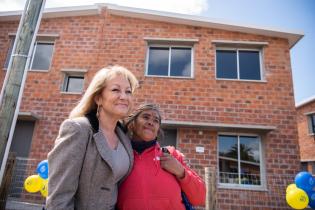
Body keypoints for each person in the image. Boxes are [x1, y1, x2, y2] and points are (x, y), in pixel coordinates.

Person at [46, 66, 139, 210]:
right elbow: (59, 196)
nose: (124, 96)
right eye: (116, 90)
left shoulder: (125, 137)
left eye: (128, 91)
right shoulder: (78, 129)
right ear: (98, 98)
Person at [117, 104, 206, 210]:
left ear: (158, 130)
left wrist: (181, 172)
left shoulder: (172, 155)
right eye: (145, 117)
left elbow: (200, 198)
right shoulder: (120, 155)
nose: (151, 122)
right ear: (132, 124)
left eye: (156, 120)